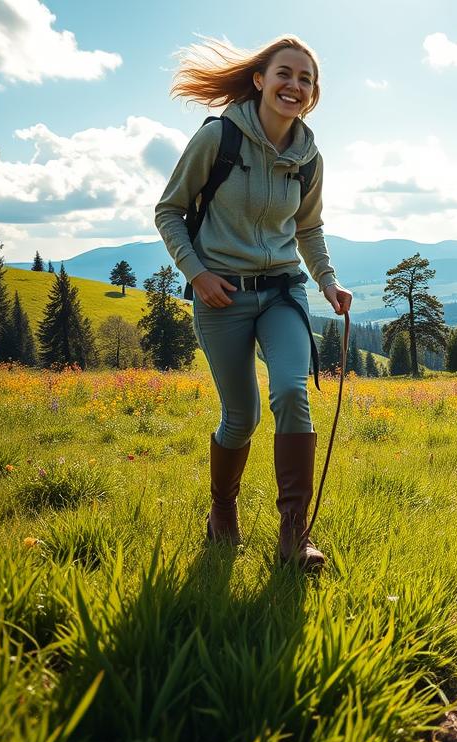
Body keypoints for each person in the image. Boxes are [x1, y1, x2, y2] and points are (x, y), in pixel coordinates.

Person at [155, 35, 352, 572]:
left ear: (313, 95)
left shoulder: (308, 159)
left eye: (306, 79)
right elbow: (169, 211)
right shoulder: (219, 138)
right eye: (285, 74)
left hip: (283, 293)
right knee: (239, 417)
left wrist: (328, 284)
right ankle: (223, 509)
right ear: (261, 80)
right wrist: (197, 275)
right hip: (221, 298)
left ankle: (295, 536)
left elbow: (308, 228)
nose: (295, 85)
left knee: (291, 390)